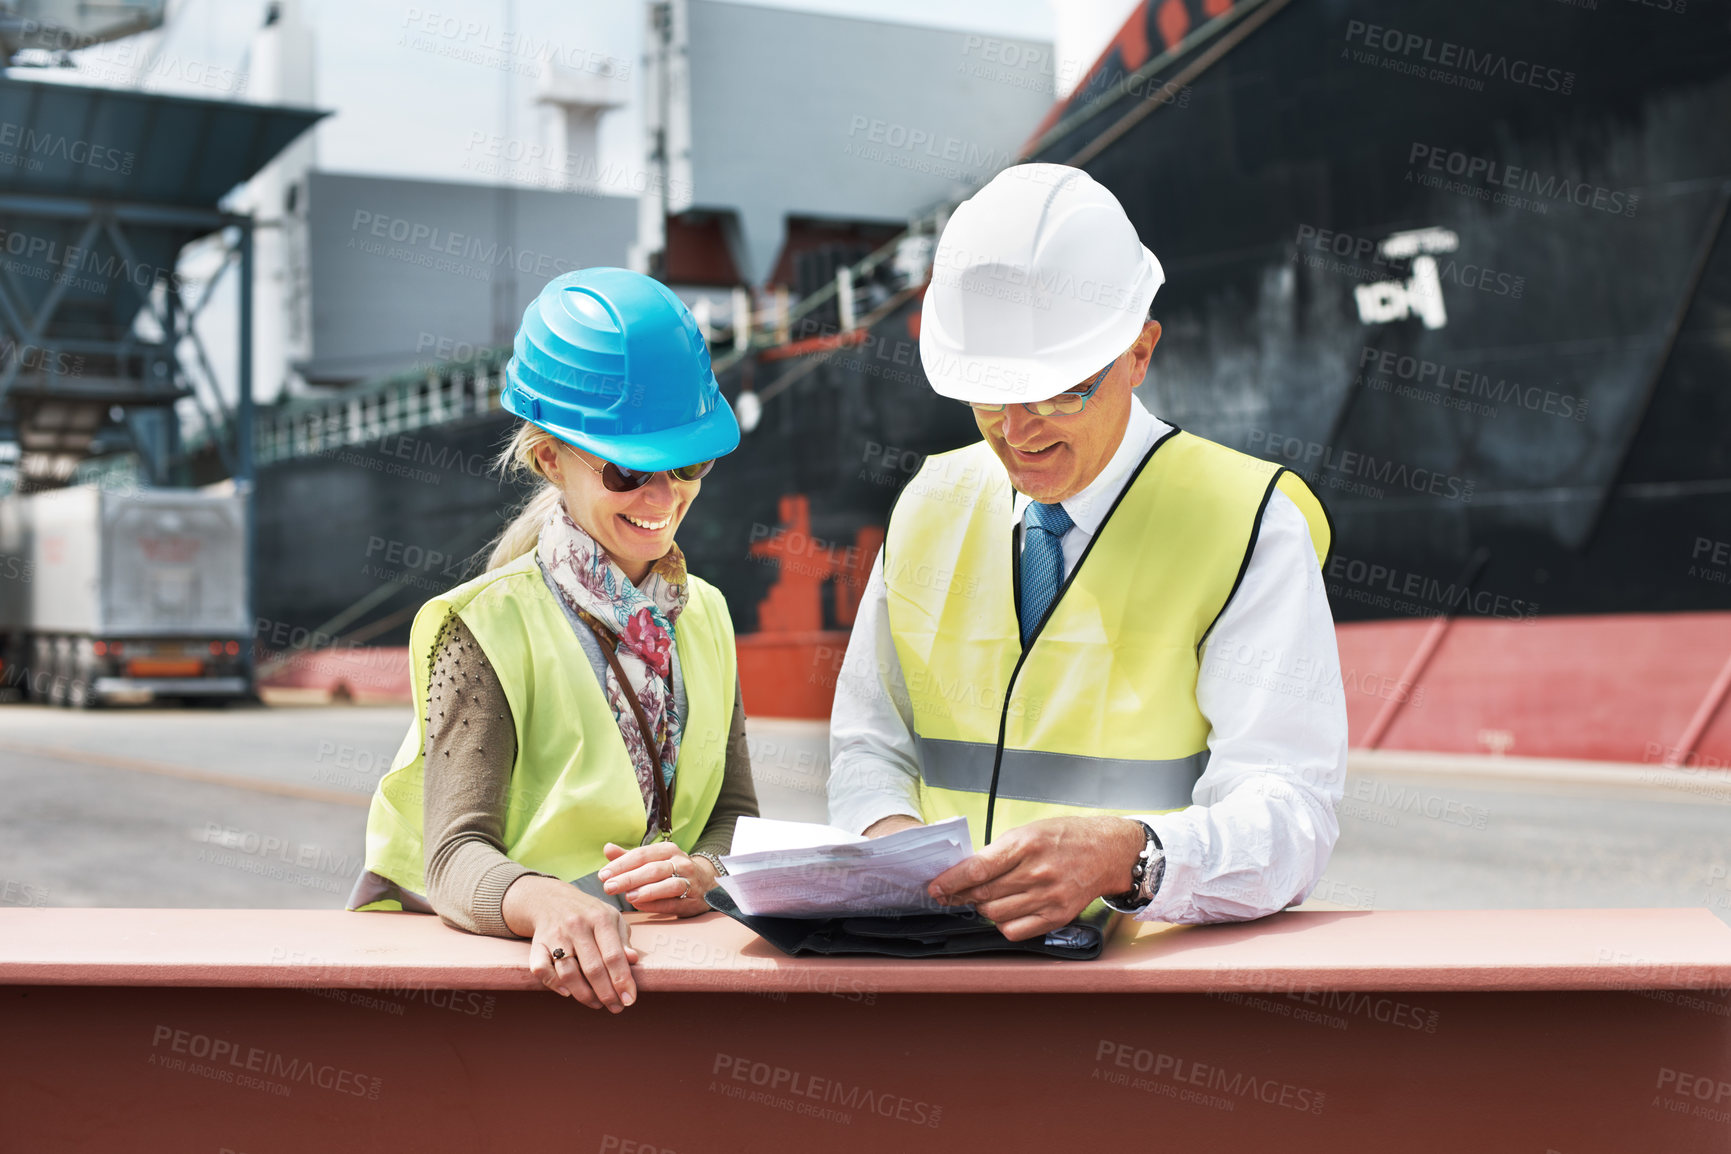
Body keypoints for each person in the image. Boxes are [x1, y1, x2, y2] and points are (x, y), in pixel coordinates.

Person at [826, 163, 1347, 940]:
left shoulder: (1250, 523)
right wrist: (897, 852)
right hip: (937, 976)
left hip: (1142, 997)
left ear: (1138, 354)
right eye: (991, 394)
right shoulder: (929, 504)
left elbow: (1290, 815)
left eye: (1061, 391)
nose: (1019, 429)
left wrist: (1133, 860)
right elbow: (870, 742)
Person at [348, 267, 758, 1012]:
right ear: (549, 461)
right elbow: (450, 858)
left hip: (649, 974)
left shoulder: (706, 614)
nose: (663, 500)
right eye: (628, 471)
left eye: (688, 464)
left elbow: (734, 815)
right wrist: (545, 902)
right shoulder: (480, 627)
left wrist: (704, 874)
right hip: (489, 987)